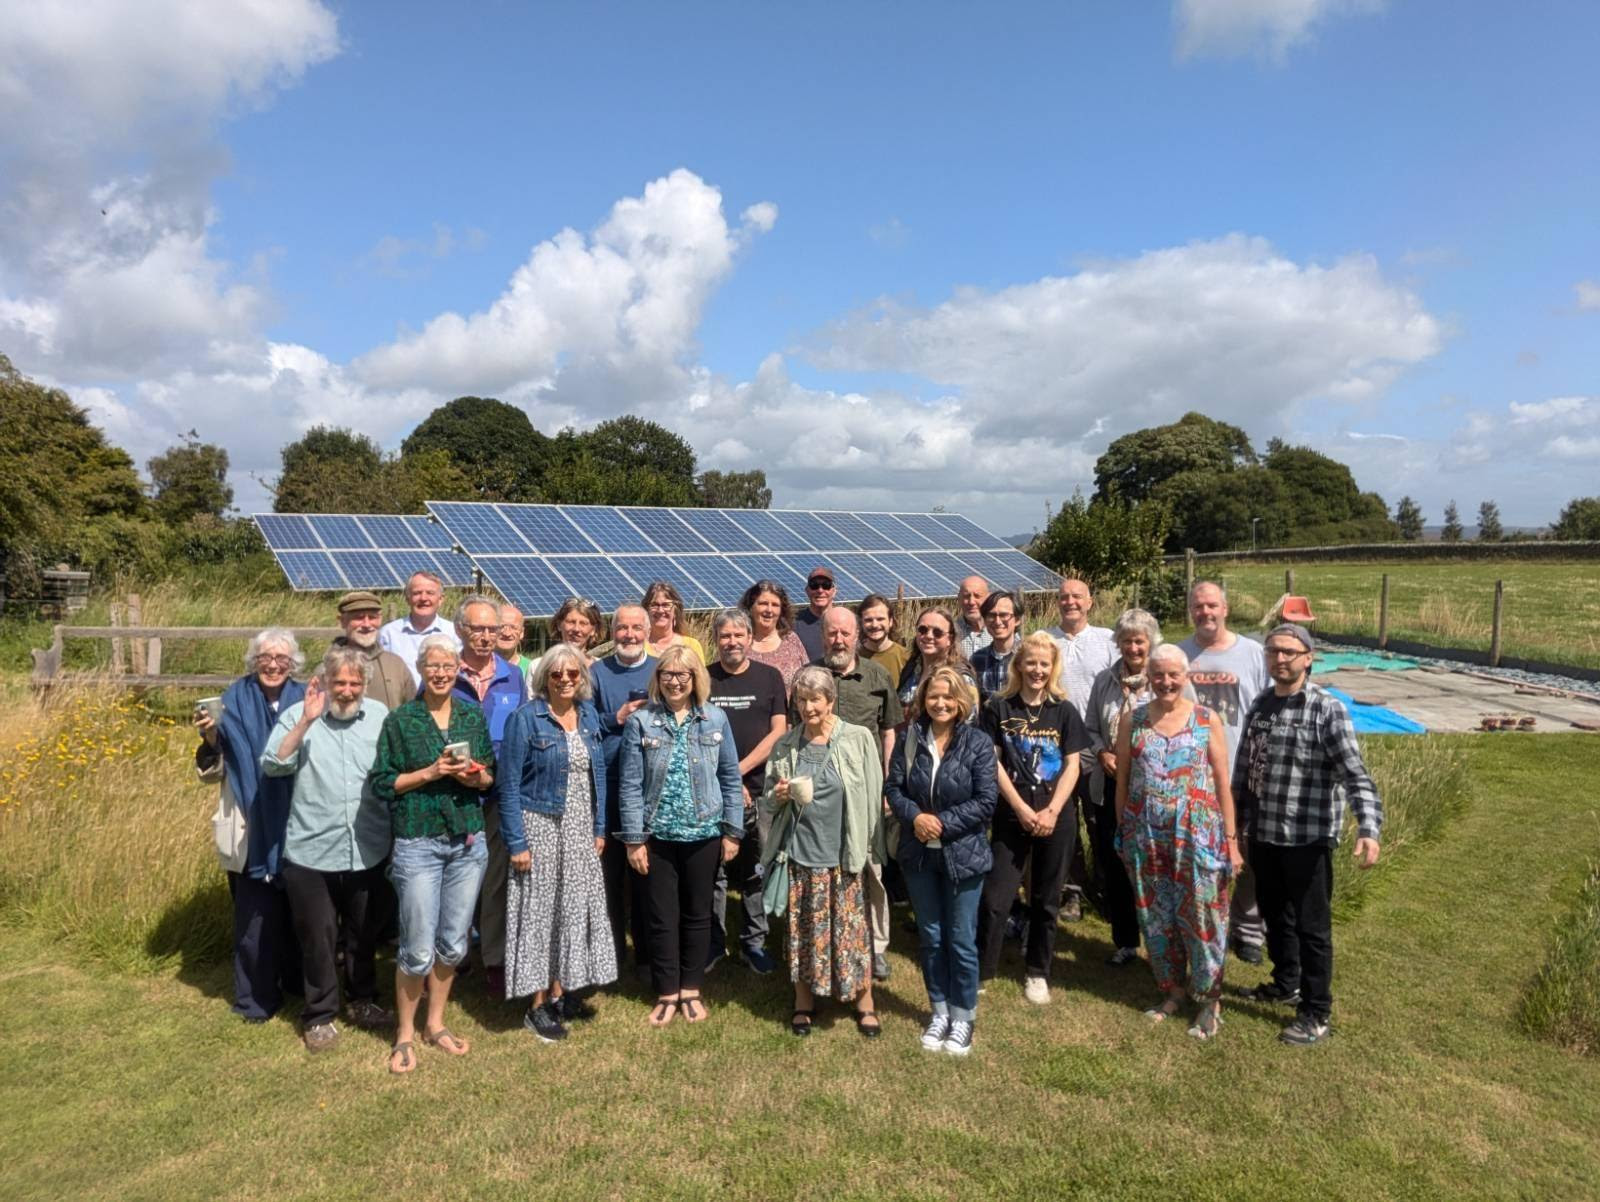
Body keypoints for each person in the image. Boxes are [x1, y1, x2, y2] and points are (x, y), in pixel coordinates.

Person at [1233, 623, 1383, 1046]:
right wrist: (1237, 829)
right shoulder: (1261, 705)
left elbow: (1356, 775)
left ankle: (1316, 1012)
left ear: (1308, 657)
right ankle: (1286, 983)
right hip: (1264, 835)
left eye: (1289, 652)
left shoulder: (1326, 709)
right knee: (1276, 916)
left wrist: (1368, 828)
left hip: (1307, 838)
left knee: (1312, 928)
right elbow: (1245, 771)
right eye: (1273, 651)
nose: (1280, 659)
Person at [368, 635, 494, 1074]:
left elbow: (488, 774)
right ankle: (404, 1034)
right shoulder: (401, 720)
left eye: (447, 665)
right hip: (418, 841)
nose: (440, 672)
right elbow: (383, 782)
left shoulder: (471, 715)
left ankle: (435, 1024)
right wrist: (430, 772)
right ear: (421, 669)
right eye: (432, 665)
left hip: (467, 842)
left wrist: (473, 777)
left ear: (458, 667)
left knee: (453, 943)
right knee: (417, 948)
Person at [261, 646, 393, 1051]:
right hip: (311, 850)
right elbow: (272, 763)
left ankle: (363, 1000)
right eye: (340, 682)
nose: (348, 690)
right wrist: (305, 720)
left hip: (367, 845)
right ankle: (319, 1015)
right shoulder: (302, 713)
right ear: (326, 683)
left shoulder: (380, 717)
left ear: (365, 685)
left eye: (355, 683)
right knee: (318, 937)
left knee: (363, 932)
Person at [1114, 643, 1242, 1040]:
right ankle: (1172, 991)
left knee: (1204, 918)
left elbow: (1222, 782)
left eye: (1173, 675)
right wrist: (1123, 833)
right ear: (1148, 678)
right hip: (1146, 836)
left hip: (1198, 837)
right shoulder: (1132, 719)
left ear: (1186, 678)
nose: (1166, 682)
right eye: (1158, 675)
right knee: (1157, 917)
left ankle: (1209, 1000)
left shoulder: (1206, 719)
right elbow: (1122, 780)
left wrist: (1232, 843)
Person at [497, 645, 617, 1043]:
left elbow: (596, 777)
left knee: (573, 909)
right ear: (544, 678)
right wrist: (517, 842)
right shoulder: (525, 719)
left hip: (581, 827)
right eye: (557, 674)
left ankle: (562, 992)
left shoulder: (588, 719)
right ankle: (537, 1006)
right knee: (539, 914)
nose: (566, 680)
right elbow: (509, 786)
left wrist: (600, 828)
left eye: (573, 674)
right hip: (540, 826)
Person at [618, 646, 743, 1026]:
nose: (675, 682)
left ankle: (691, 988)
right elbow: (630, 785)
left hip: (704, 831)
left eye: (682, 675)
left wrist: (732, 832)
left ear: (695, 680)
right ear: (658, 680)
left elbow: (730, 778)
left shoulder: (715, 719)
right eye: (667, 675)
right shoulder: (642, 722)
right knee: (661, 916)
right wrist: (634, 839)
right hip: (656, 835)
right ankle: (666, 991)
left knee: (697, 913)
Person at [763, 666, 885, 1038]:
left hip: (843, 854)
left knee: (851, 931)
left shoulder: (858, 738)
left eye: (815, 699)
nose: (808, 707)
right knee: (804, 932)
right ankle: (804, 1002)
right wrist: (779, 795)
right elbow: (769, 796)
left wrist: (873, 850)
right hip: (800, 854)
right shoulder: (788, 743)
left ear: (831, 700)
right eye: (801, 699)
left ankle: (864, 1003)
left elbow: (874, 794)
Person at [193, 628, 306, 1023]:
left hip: (298, 820)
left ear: (294, 665)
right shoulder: (231, 701)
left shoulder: (307, 698)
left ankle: (296, 983)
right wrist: (210, 737)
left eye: (282, 659)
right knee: (254, 918)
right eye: (266, 658)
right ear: (253, 661)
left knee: (299, 912)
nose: (274, 665)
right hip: (248, 823)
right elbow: (211, 768)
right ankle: (256, 999)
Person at [886, 666, 997, 1056]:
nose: (941, 703)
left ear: (961, 702)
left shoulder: (978, 743)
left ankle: (964, 1016)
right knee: (931, 938)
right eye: (934, 696)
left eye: (948, 697)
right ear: (923, 700)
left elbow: (986, 801)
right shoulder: (910, 740)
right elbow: (894, 788)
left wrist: (941, 823)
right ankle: (940, 1011)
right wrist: (915, 817)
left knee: (961, 939)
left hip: (963, 855)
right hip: (918, 856)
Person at [976, 633, 1090, 1005]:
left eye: (1045, 664)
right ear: (1019, 665)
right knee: (996, 898)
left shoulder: (1064, 710)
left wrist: (1052, 810)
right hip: (1012, 815)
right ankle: (982, 969)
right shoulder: (998, 708)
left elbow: (1073, 764)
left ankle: (1038, 971)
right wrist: (1022, 809)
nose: (1037, 670)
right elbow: (992, 762)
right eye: (1031, 663)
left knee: (1046, 899)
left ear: (1052, 667)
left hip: (1056, 817)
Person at [1084, 608, 1193, 966]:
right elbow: (1090, 728)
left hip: (1158, 793)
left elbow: (1186, 728)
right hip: (1110, 788)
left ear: (1151, 643)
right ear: (1118, 643)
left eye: (1140, 640)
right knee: (1117, 865)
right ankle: (1126, 941)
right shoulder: (1104, 681)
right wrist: (1102, 753)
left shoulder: (1165, 679)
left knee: (1160, 868)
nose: (1133, 647)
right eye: (1127, 640)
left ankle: (1165, 939)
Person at [1179, 581, 1272, 965]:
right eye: (1198, 607)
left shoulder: (1252, 654)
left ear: (1225, 609)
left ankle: (1248, 930)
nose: (1205, 612)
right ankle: (1200, 921)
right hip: (1192, 777)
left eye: (1212, 605)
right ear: (1191, 611)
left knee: (1248, 853)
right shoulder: (1181, 654)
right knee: (1196, 853)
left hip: (1245, 772)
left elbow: (1270, 704)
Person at [807, 606, 901, 982]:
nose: (839, 640)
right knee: (826, 873)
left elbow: (889, 731)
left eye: (846, 633)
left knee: (872, 871)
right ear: (822, 636)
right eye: (832, 633)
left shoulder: (877, 675)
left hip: (867, 790)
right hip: (822, 794)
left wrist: (887, 783)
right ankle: (830, 941)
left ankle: (877, 947)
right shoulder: (809, 676)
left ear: (857, 635)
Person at [705, 608, 788, 974]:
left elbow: (779, 732)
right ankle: (713, 942)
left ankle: (754, 942)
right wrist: (728, 780)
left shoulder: (769, 677)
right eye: (725, 636)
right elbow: (698, 735)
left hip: (761, 789)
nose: (732, 641)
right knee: (715, 870)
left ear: (750, 639)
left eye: (739, 635)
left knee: (757, 868)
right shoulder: (705, 679)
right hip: (712, 790)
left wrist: (738, 771)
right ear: (716, 640)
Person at [454, 594, 526, 999]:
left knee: (497, 880)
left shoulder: (513, 677)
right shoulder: (445, 673)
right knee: (457, 877)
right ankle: (455, 952)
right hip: (454, 794)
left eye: (491, 630)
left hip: (500, 796)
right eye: (476, 629)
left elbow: (520, 731)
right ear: (460, 630)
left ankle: (495, 961)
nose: (484, 637)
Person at [1044, 578, 1117, 923]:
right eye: (1063, 597)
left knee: (1099, 820)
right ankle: (1072, 891)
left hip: (1096, 747)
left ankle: (1106, 889)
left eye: (1077, 596)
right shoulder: (1045, 640)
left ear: (1089, 602)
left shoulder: (1107, 641)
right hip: (1054, 747)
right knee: (1064, 821)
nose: (1070, 602)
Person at [592, 604, 656, 970]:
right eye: (622, 628)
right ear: (612, 632)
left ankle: (647, 954)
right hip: (610, 787)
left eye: (636, 628)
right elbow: (584, 724)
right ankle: (612, 954)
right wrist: (614, 718)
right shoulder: (598, 673)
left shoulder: (661, 668)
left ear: (647, 631)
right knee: (610, 878)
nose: (629, 635)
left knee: (647, 877)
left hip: (651, 788)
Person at [332, 590, 414, 711]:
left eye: (372, 617)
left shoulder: (396, 664)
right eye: (359, 618)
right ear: (342, 621)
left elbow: (413, 710)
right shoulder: (328, 667)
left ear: (380, 619)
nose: (366, 624)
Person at [379, 571, 460, 688]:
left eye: (430, 593)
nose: (423, 598)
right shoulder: (388, 634)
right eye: (417, 593)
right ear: (407, 598)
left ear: (441, 599)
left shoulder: (454, 633)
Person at [896, 606, 976, 712]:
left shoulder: (961, 676)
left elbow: (969, 720)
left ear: (950, 639)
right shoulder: (910, 668)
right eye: (923, 630)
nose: (929, 636)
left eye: (937, 632)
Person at [740, 580, 809, 692]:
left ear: (781, 611)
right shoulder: (738, 641)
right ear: (751, 607)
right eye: (763, 604)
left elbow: (808, 679)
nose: (769, 610)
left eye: (775, 605)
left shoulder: (791, 640)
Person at [969, 590, 1021, 704]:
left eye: (1004, 615)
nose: (997, 621)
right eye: (991, 615)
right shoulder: (977, 659)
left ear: (1017, 620)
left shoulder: (1028, 656)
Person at [644, 581, 707, 665]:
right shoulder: (639, 646)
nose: (660, 610)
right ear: (646, 610)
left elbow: (701, 677)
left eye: (666, 605)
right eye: (654, 605)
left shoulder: (692, 645)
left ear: (676, 610)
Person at [858, 593, 909, 685]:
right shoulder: (853, 657)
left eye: (880, 619)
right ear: (861, 623)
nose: (875, 625)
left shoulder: (905, 658)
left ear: (890, 622)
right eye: (868, 620)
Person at [791, 566, 837, 662]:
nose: (820, 590)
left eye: (826, 585)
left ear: (834, 591)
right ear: (807, 590)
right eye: (814, 585)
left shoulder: (846, 622)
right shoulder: (793, 623)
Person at [496, 603, 537, 689]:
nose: (507, 633)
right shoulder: (481, 668)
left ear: (522, 633)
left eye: (513, 627)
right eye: (501, 627)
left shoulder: (533, 669)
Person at [956, 575, 993, 660]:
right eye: (966, 596)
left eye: (977, 596)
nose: (971, 602)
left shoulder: (1001, 632)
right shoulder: (949, 633)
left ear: (989, 599)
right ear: (959, 599)